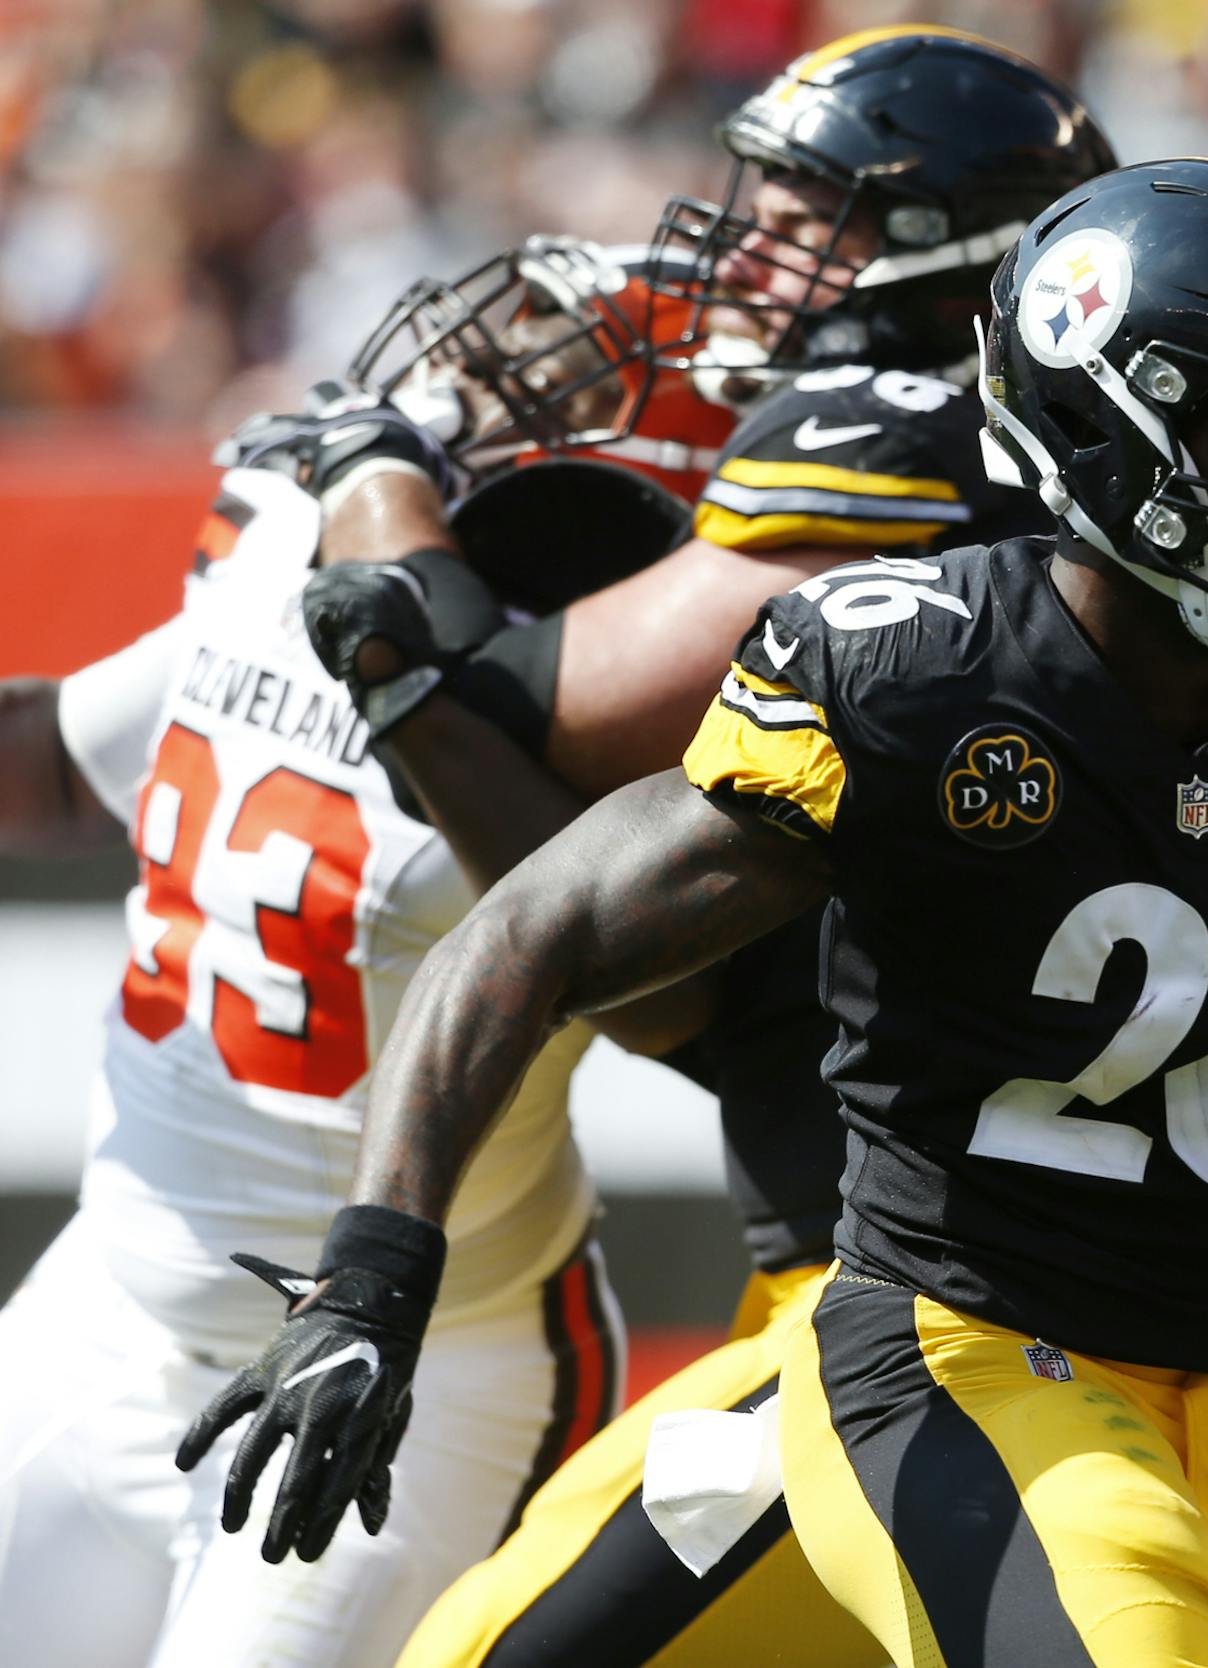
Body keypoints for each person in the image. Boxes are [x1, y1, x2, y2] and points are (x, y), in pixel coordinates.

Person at [187, 158, 1208, 1668]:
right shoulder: (917, 675)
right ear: (1120, 439)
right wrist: (371, 1282)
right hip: (954, 1355)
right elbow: (526, 934)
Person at [294, 28, 1118, 1668]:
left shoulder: (891, 430)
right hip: (1014, 1270)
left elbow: (509, 696)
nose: (752, 243)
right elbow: (694, 992)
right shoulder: (1059, 471)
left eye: (814, 212)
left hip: (902, 1318)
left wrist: (380, 470)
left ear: (962, 238)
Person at [0, 235, 729, 1668]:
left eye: (550, 369)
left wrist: (433, 703)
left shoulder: (620, 684)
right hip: (108, 1308)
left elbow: (664, 995)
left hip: (407, 1370)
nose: (462, 381)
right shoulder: (300, 534)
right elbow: (57, 768)